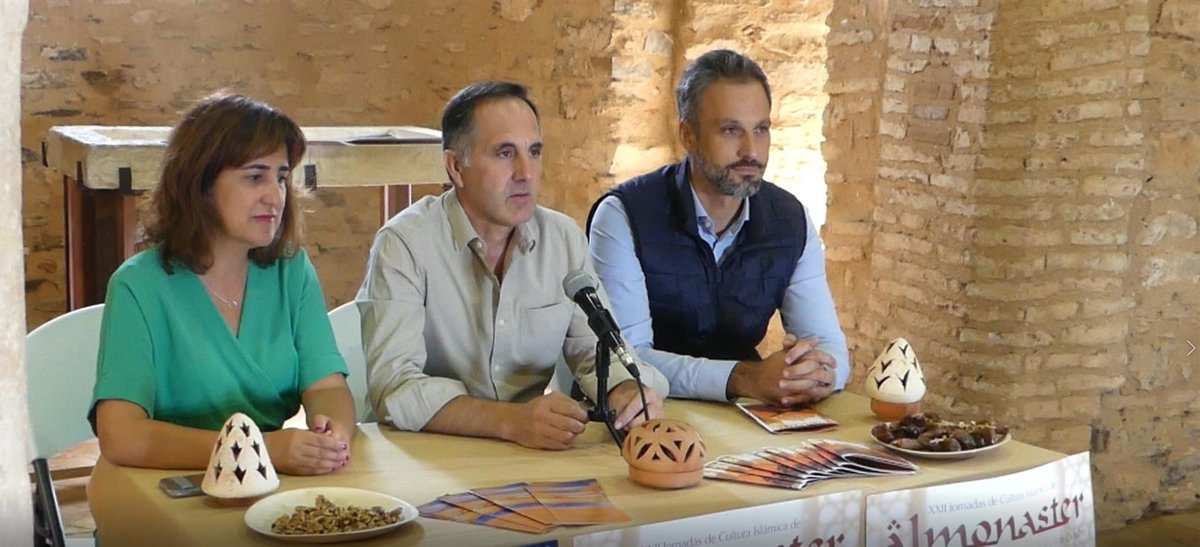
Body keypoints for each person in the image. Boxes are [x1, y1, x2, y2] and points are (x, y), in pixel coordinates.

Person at [357, 81, 669, 450]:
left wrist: (625, 389)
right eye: (505, 154)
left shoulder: (562, 239)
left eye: (534, 152)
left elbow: (595, 351)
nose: (526, 172)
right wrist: (510, 421)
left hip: (526, 455)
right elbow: (395, 388)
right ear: (456, 167)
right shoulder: (404, 244)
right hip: (426, 453)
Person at [90, 94, 355, 476]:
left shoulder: (292, 271)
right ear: (201, 184)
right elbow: (121, 435)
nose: (275, 196)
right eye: (255, 177)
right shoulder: (138, 286)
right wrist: (256, 450)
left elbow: (326, 387)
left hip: (266, 483)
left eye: (281, 178)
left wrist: (333, 434)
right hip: (162, 485)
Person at [588, 49, 850, 408]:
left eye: (761, 130)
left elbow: (828, 344)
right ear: (688, 135)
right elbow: (627, 359)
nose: (751, 150)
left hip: (742, 414)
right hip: (642, 414)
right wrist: (743, 377)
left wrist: (816, 374)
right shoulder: (624, 215)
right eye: (731, 130)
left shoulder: (790, 219)